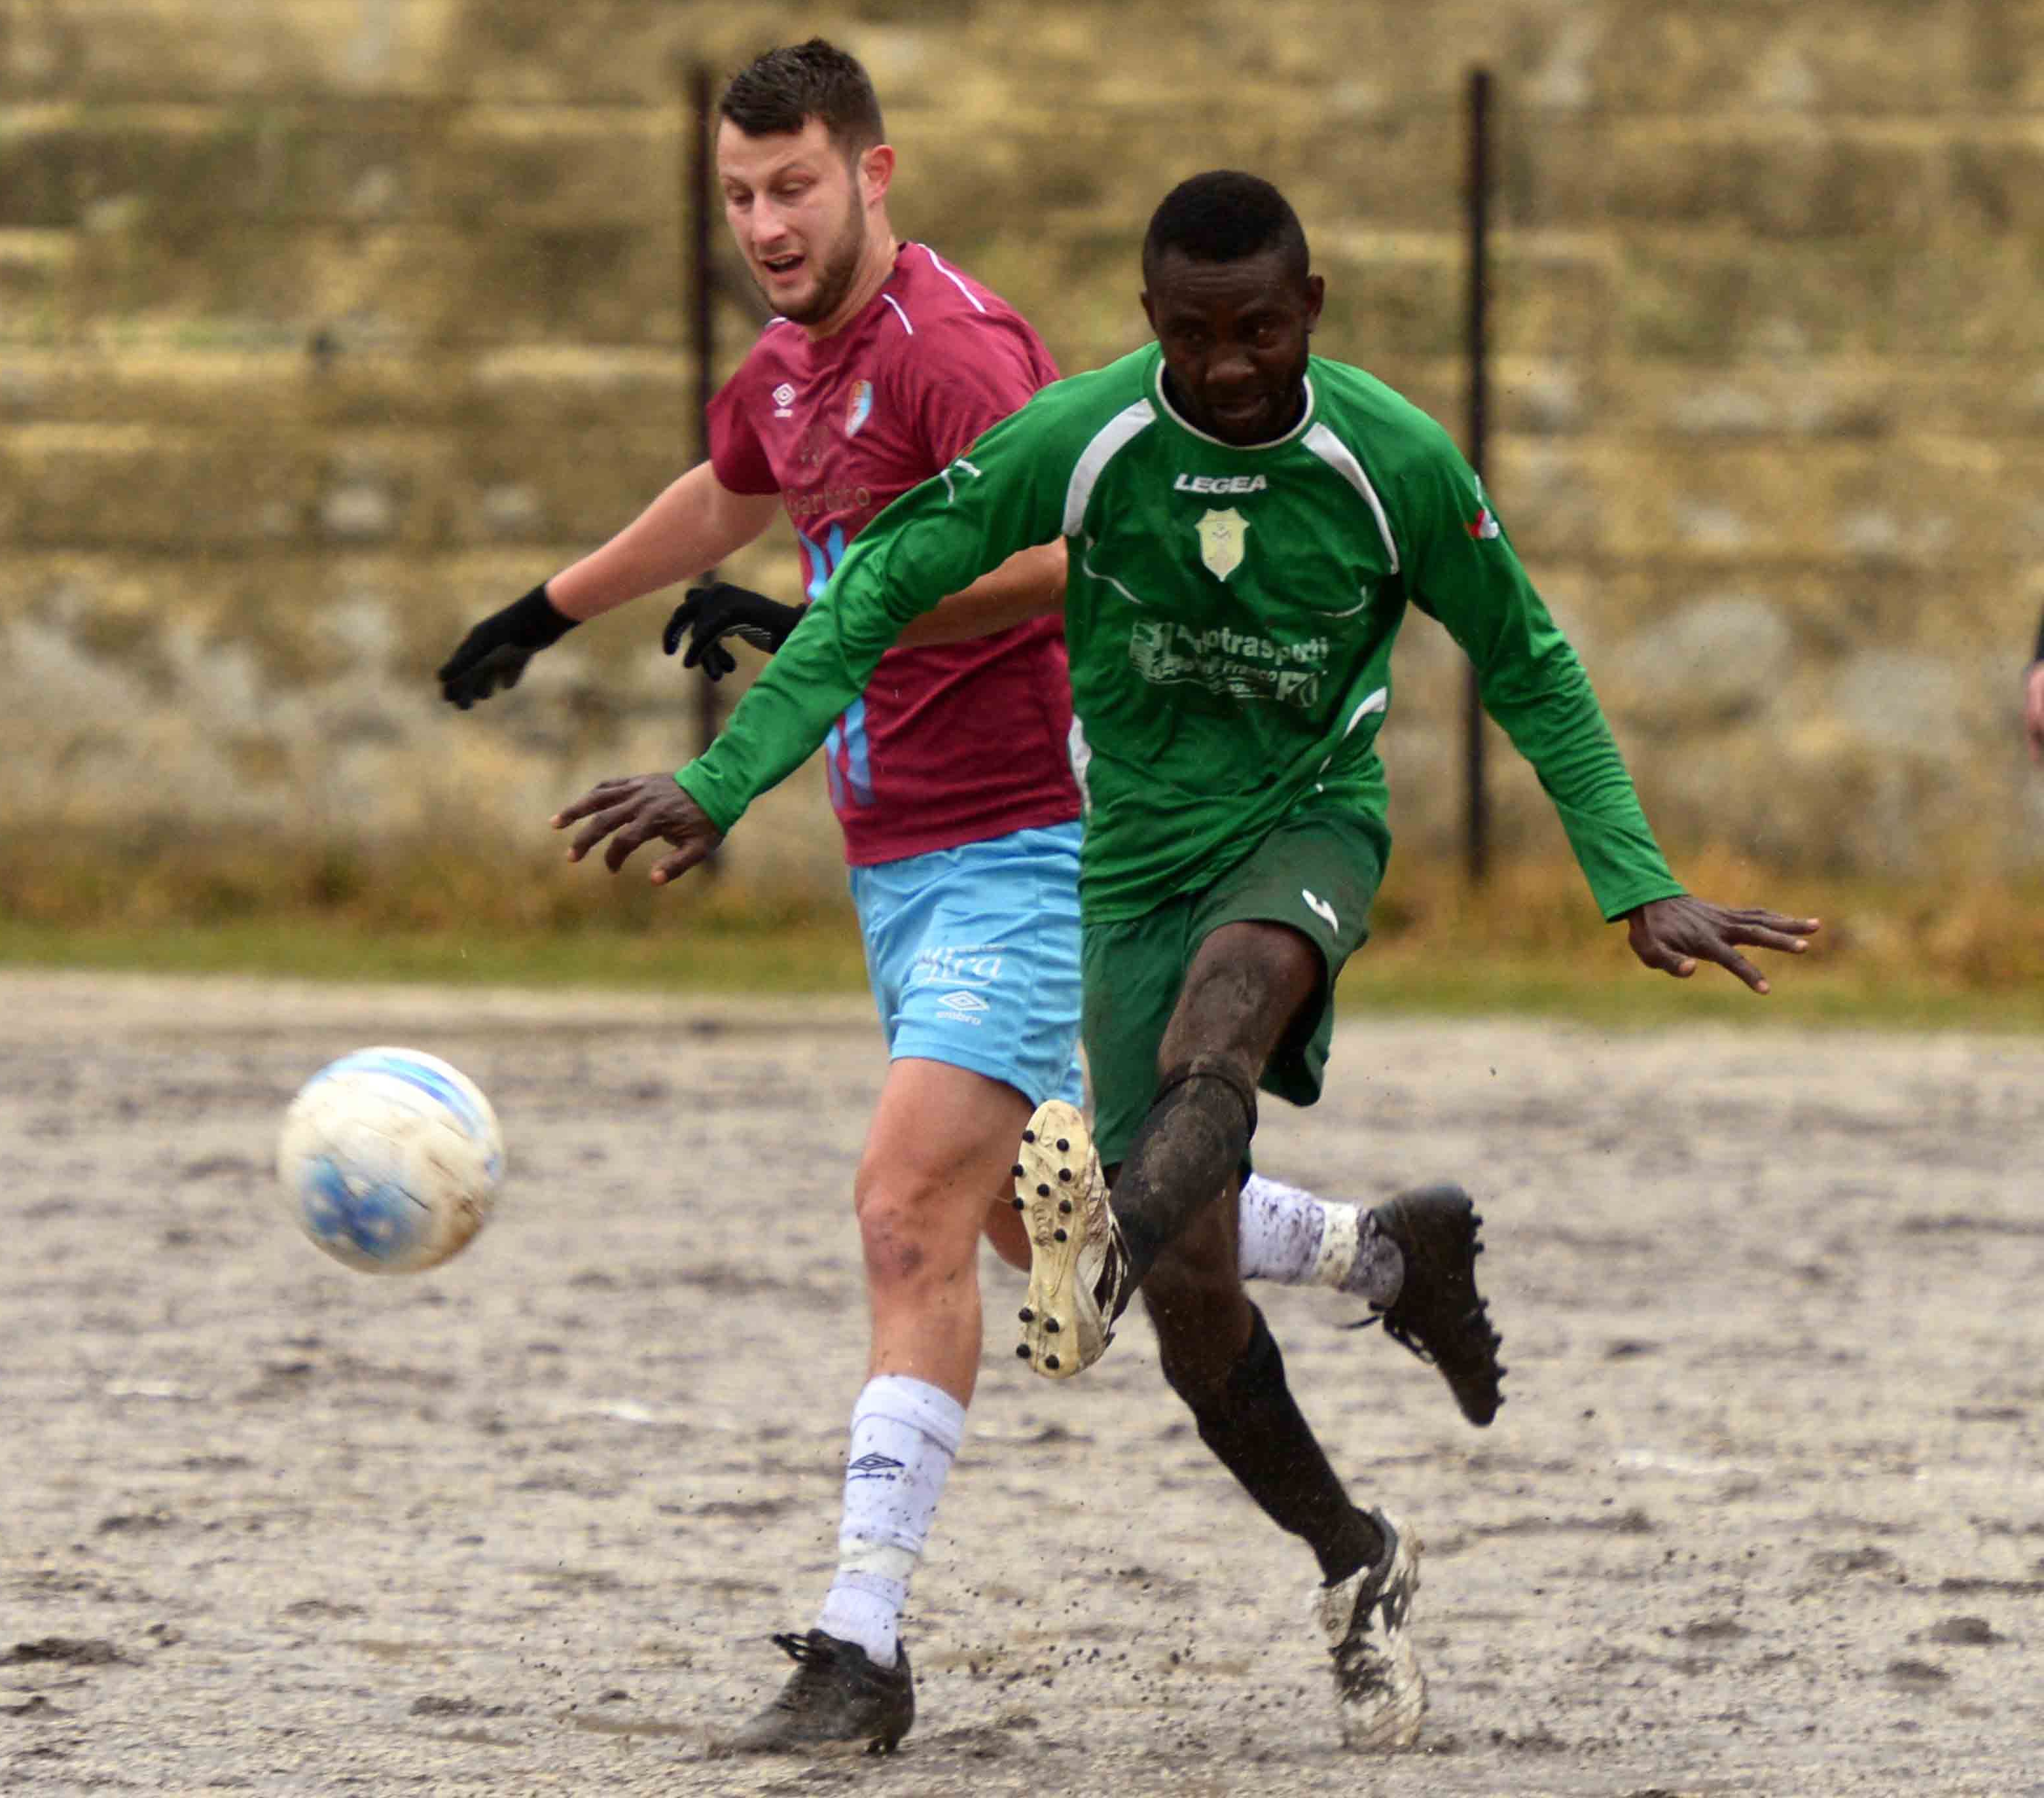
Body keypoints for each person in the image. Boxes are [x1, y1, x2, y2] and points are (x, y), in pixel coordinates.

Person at [555, 169, 1821, 1754]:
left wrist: (1635, 880)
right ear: (1149, 320)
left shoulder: (1393, 460)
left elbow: (1529, 659)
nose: (1229, 367)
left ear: (1313, 311)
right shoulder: (1084, 438)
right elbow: (877, 584)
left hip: (1305, 826)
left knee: (1215, 1044)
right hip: (1134, 863)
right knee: (1198, 1309)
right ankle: (1353, 1546)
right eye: (1195, 336)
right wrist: (723, 779)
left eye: (1262, 333)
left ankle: (1093, 1259)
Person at [442, 46, 1501, 1756]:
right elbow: (731, 490)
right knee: (1040, 1232)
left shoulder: (953, 349)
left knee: (904, 1210)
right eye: (738, 195)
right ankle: (1374, 1281)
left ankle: (860, 1649)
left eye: (795, 186)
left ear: (873, 175)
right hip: (898, 858)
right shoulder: (790, 366)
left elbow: (1078, 548)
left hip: (1031, 835)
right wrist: (546, 608)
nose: (765, 225)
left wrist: (840, 615)